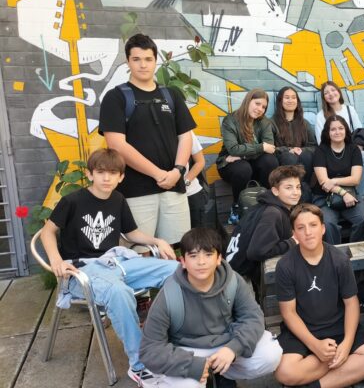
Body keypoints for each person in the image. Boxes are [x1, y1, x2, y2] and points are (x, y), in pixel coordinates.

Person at [40, 148, 179, 388]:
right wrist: (56, 260)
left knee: (177, 271)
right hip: (81, 271)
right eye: (101, 172)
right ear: (90, 174)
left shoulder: (118, 199)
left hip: (115, 262)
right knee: (118, 292)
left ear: (121, 177)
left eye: (113, 173)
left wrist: (157, 241)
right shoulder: (72, 201)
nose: (107, 178)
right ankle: (140, 364)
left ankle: (160, 333)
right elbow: (47, 232)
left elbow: (131, 233)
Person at [140, 228, 282, 388]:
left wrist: (233, 348)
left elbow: (253, 318)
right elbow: (149, 349)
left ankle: (223, 373)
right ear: (183, 261)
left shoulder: (233, 280)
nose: (201, 262)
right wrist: (192, 365)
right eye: (193, 256)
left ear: (219, 259)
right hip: (188, 351)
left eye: (208, 255)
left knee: (271, 354)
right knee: (188, 386)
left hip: (225, 344)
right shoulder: (170, 294)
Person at [274, 204, 364, 388]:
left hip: (338, 327)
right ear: (294, 233)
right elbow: (289, 313)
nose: (308, 232)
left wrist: (347, 344)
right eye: (301, 228)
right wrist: (315, 346)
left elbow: (351, 304)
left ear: (323, 228)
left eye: (313, 225)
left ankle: (316, 384)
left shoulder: (339, 260)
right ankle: (348, 369)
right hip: (304, 331)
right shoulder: (286, 265)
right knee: (284, 372)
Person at [99, 33, 195, 248]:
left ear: (155, 60)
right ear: (128, 61)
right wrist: (158, 174)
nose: (143, 65)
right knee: (139, 253)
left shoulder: (171, 95)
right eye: (136, 59)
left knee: (176, 250)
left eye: (148, 59)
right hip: (136, 192)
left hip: (173, 187)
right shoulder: (115, 97)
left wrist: (178, 171)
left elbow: (185, 136)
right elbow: (116, 145)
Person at [227, 165, 303, 293]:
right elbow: (256, 252)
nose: (295, 192)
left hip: (238, 271)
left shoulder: (269, 206)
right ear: (275, 191)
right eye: (288, 188)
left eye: (298, 187)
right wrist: (291, 242)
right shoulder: (272, 213)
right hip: (240, 280)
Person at [216, 88, 279, 225]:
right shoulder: (230, 120)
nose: (260, 109)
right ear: (248, 101)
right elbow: (233, 148)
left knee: (270, 161)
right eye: (257, 104)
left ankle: (265, 203)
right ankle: (237, 207)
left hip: (247, 161)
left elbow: (269, 148)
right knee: (243, 168)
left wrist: (243, 155)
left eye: (263, 107)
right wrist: (260, 147)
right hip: (229, 164)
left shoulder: (264, 122)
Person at [312, 115, 364, 244]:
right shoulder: (321, 151)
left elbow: (355, 179)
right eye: (333, 129)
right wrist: (343, 193)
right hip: (324, 197)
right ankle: (333, 252)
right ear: (327, 132)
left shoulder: (353, 149)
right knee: (327, 223)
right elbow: (324, 183)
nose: (337, 132)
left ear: (346, 130)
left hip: (350, 195)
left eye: (340, 128)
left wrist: (334, 181)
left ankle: (358, 249)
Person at [315, 81, 364, 199]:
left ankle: (359, 194)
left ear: (339, 92)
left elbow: (359, 131)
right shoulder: (321, 116)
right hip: (332, 153)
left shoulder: (349, 110)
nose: (331, 94)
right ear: (323, 98)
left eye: (333, 90)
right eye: (326, 93)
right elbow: (321, 141)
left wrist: (357, 148)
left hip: (351, 150)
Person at [272, 87, 317, 202]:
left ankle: (304, 191)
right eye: (287, 97)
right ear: (280, 101)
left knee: (307, 155)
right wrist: (288, 150)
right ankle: (289, 193)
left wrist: (302, 150)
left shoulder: (304, 123)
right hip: (282, 160)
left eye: (293, 97)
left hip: (302, 160)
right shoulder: (272, 123)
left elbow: (313, 146)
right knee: (289, 157)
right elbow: (270, 147)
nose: (290, 100)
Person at [185, 131, 208, 228]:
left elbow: (200, 161)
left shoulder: (186, 131)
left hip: (191, 192)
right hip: (162, 196)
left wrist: (185, 182)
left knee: (197, 233)